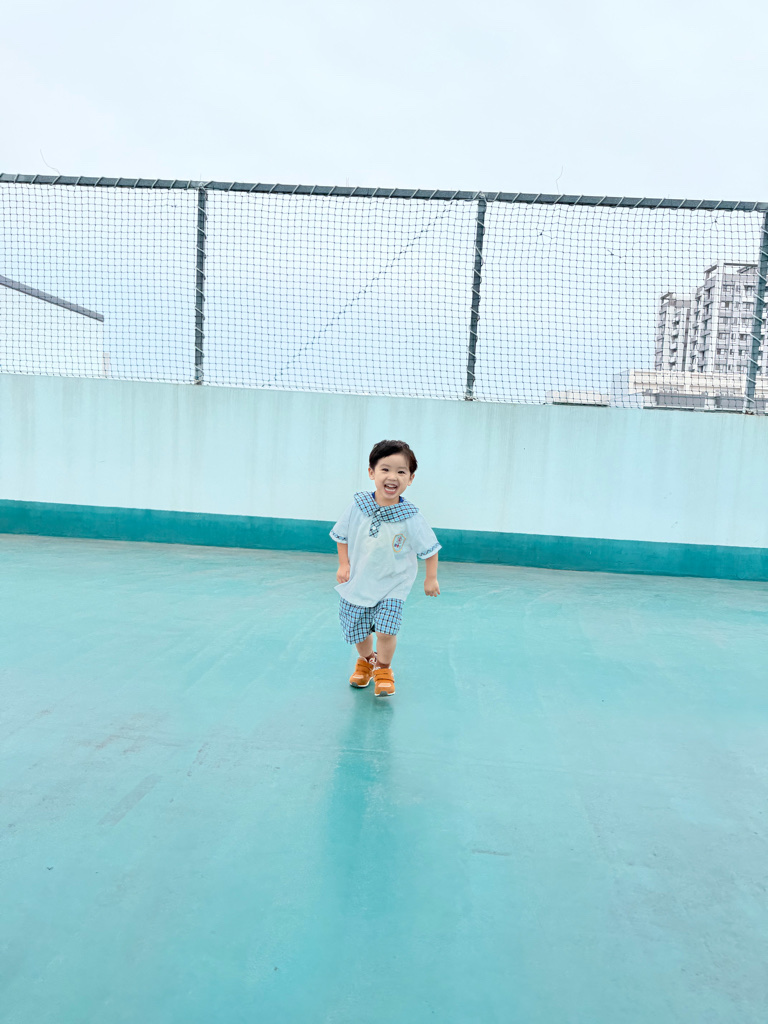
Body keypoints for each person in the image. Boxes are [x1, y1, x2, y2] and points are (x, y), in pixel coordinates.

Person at [330, 439, 441, 697]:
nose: (393, 477)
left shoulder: (411, 516)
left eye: (401, 471)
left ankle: (383, 669)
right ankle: (367, 660)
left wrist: (431, 578)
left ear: (410, 478)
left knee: (385, 630)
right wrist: (344, 564)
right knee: (357, 631)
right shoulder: (358, 507)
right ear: (372, 473)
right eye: (385, 469)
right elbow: (341, 536)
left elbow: (430, 548)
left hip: (394, 584)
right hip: (359, 581)